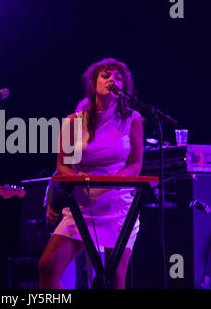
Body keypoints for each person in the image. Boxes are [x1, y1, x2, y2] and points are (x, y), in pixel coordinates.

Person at [38, 58, 144, 289]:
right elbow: (62, 166)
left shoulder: (132, 120)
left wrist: (117, 179)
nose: (112, 80)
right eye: (106, 75)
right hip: (83, 205)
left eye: (118, 77)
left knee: (113, 278)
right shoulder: (73, 121)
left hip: (117, 205)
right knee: (48, 265)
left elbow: (136, 163)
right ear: (93, 82)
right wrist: (80, 181)